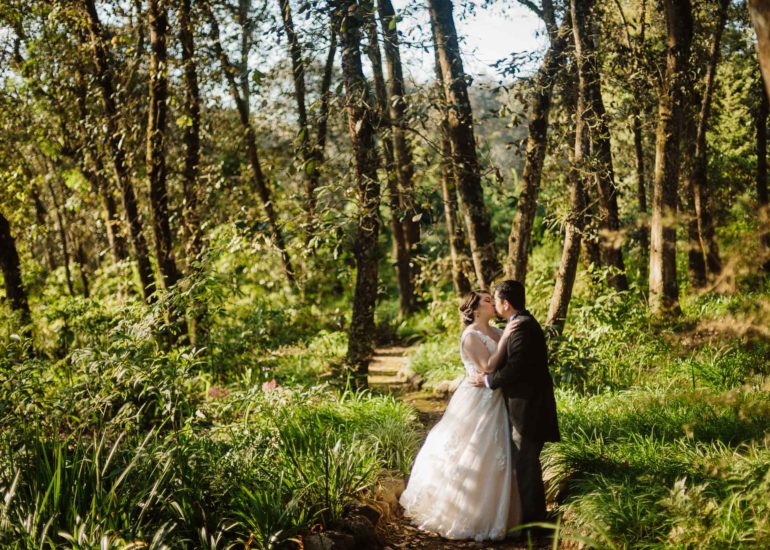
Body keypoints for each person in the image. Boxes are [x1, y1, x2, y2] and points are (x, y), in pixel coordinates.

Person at [399, 291, 521, 541]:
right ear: (475, 309)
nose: (492, 303)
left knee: (499, 453)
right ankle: (464, 513)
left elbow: (511, 362)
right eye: (487, 300)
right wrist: (508, 335)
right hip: (478, 399)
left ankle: (502, 515)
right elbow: (487, 366)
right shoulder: (470, 336)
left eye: (491, 299)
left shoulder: (498, 331)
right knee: (472, 450)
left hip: (498, 397)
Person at [471, 280, 560, 531]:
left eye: (496, 301)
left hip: (529, 409)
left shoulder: (522, 327)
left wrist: (489, 380)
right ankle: (532, 521)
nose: (495, 305)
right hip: (524, 406)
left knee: (527, 465)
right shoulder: (517, 324)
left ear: (505, 303)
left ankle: (536, 526)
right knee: (525, 464)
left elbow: (517, 368)